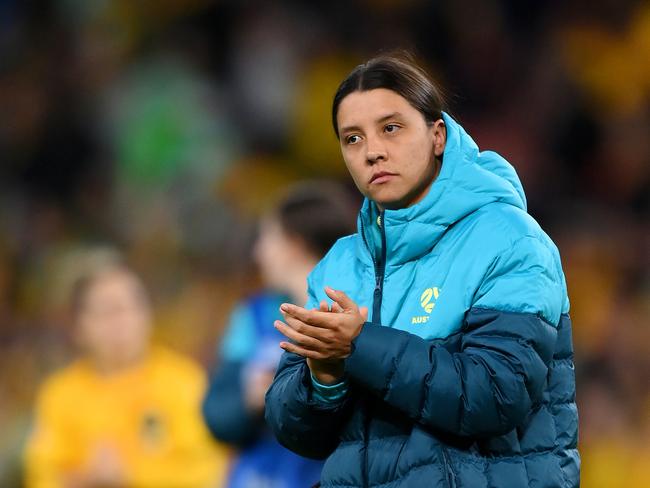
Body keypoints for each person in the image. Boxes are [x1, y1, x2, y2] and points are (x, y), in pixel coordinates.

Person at [265, 53, 580, 487]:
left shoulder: (509, 239)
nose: (373, 151)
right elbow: (296, 431)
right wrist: (324, 377)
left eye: (390, 128)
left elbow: (496, 394)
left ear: (437, 135)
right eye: (352, 139)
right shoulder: (339, 263)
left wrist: (359, 345)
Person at [24, 253, 230, 488]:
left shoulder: (182, 381)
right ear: (79, 326)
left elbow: (209, 471)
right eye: (108, 311)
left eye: (133, 306)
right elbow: (40, 476)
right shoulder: (60, 394)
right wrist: (86, 478)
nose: (123, 321)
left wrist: (130, 475)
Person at [202, 183, 357, 488]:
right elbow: (216, 416)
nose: (258, 253)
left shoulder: (354, 316)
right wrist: (248, 401)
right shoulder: (253, 316)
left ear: (295, 244)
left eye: (267, 238)